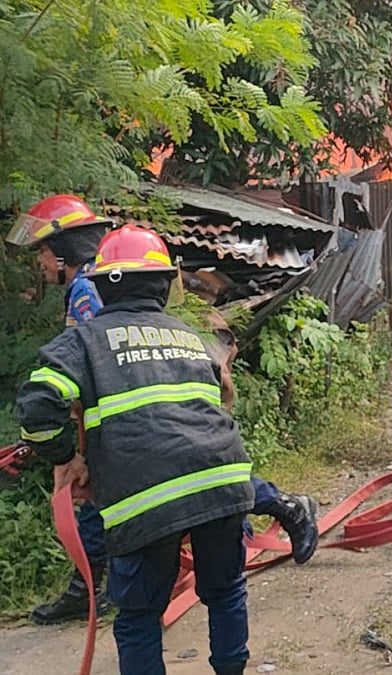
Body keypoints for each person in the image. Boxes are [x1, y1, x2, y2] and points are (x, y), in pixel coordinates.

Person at [6, 195, 319, 627]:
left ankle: (284, 505)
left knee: (174, 473)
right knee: (119, 490)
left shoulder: (91, 292)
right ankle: (87, 588)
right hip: (120, 422)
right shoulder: (91, 286)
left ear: (63, 251)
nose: (39, 262)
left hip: (138, 419)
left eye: (42, 251)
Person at [16, 224, 255, 673]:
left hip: (143, 497)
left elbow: (37, 405)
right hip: (223, 480)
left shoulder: (83, 341)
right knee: (225, 592)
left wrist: (65, 458)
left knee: (140, 616)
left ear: (102, 286)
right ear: (165, 284)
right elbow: (221, 396)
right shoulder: (188, 336)